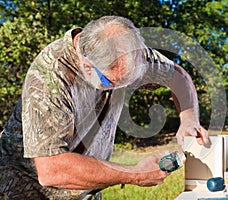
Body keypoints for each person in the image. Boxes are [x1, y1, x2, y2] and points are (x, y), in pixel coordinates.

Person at [0, 16, 209, 199]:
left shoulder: (128, 53)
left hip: (84, 187)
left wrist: (189, 120)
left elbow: (177, 76)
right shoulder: (50, 77)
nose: (120, 89)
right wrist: (136, 174)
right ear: (87, 65)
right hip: (27, 188)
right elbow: (51, 169)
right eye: (112, 83)